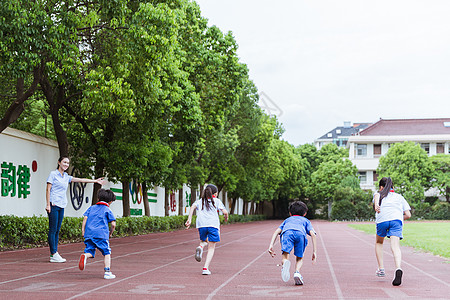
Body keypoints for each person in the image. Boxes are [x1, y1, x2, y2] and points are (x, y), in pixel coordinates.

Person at [46, 156, 104, 263]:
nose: (66, 165)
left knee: (57, 230)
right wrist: (48, 204)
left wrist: (95, 181)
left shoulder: (66, 177)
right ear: (59, 162)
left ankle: (55, 253)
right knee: (53, 229)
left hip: (62, 205)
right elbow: (48, 189)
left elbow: (80, 180)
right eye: (64, 162)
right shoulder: (53, 174)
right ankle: (53, 253)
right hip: (53, 204)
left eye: (68, 163)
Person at [373, 177, 411, 286]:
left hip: (382, 220)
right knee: (395, 247)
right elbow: (408, 215)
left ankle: (381, 269)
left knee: (379, 242)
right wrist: (398, 217)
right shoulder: (399, 197)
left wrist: (376, 206)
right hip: (396, 220)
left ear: (381, 187)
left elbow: (376, 197)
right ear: (392, 187)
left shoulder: (379, 194)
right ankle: (398, 268)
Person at [268, 201, 317, 285]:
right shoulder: (306, 221)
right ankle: (297, 272)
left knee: (285, 255)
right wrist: (314, 252)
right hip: (300, 234)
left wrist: (271, 245)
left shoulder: (287, 220)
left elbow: (277, 231)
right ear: (305, 213)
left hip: (287, 233)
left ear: (290, 213)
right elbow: (313, 234)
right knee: (299, 258)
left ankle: (285, 263)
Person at [185, 184, 229, 275]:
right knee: (211, 247)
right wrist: (226, 217)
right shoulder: (217, 201)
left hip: (201, 225)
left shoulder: (200, 201)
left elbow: (192, 207)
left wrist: (189, 219)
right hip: (213, 225)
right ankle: (205, 268)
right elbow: (225, 212)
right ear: (215, 194)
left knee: (204, 241)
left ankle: (200, 247)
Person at [78, 188, 117, 279]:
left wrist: (83, 231)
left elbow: (85, 219)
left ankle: (85, 255)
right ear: (110, 202)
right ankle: (107, 272)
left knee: (90, 251)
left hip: (89, 234)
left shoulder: (91, 208)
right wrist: (110, 233)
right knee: (107, 252)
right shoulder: (107, 210)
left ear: (98, 198)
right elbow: (113, 224)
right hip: (101, 234)